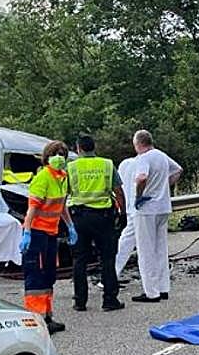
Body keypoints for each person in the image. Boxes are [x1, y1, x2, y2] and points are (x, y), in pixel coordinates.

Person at [19, 140, 75, 334]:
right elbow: (32, 209)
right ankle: (35, 320)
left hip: (51, 233)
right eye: (55, 153)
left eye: (62, 154)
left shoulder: (62, 177)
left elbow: (61, 206)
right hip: (36, 233)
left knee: (49, 274)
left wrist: (70, 225)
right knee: (36, 276)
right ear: (47, 157)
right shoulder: (43, 178)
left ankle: (47, 316)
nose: (59, 157)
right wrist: (27, 232)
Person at [67, 135, 124, 312]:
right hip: (103, 217)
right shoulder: (107, 164)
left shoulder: (71, 167)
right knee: (107, 258)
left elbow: (64, 192)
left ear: (78, 149)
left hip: (79, 217)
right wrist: (123, 213)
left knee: (79, 259)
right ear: (94, 147)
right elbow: (118, 191)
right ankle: (109, 300)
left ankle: (80, 301)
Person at [129, 130, 183, 304]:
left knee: (145, 251)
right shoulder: (161, 156)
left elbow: (142, 177)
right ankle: (163, 287)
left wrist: (139, 195)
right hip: (163, 207)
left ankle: (151, 292)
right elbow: (178, 170)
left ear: (138, 144)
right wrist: (163, 187)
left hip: (147, 209)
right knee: (160, 248)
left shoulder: (143, 158)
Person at [111, 154, 138, 283]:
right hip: (140, 209)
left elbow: (119, 189)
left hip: (130, 209)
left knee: (125, 243)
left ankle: (111, 275)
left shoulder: (124, 165)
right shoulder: (142, 164)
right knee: (150, 245)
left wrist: (122, 210)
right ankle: (158, 280)